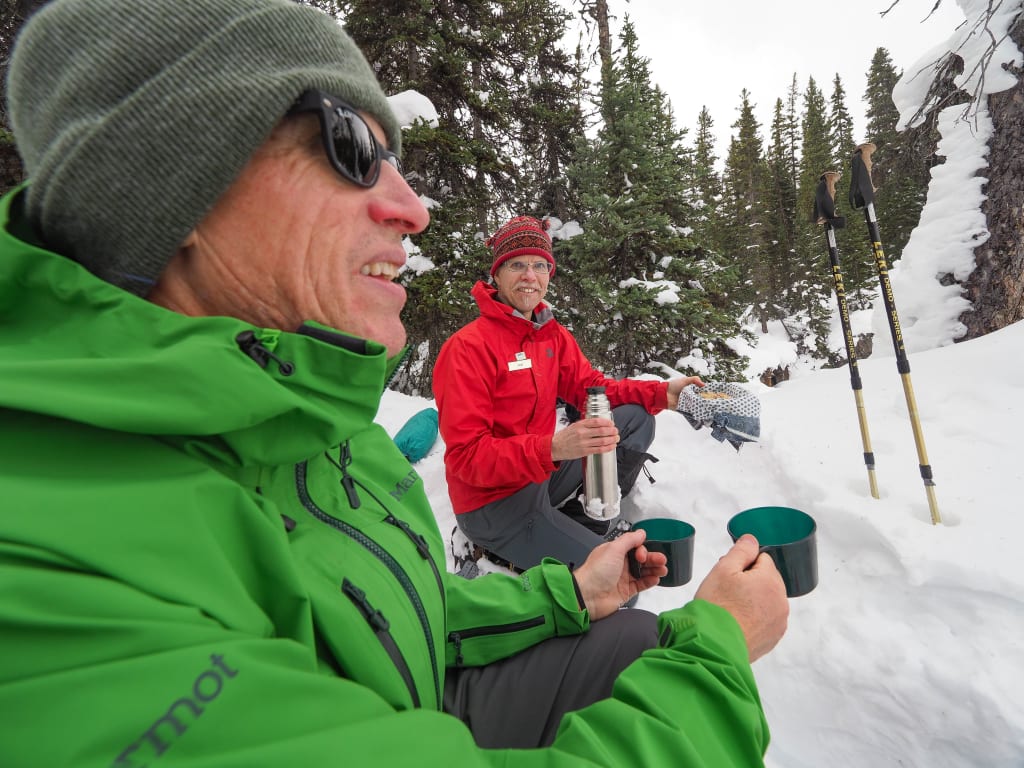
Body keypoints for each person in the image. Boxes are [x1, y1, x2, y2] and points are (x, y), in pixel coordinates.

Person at [0, 1, 788, 765]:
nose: (411, 207)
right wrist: (716, 650)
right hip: (500, 503)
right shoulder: (50, 575)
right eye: (347, 145)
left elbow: (398, 607)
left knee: (623, 585)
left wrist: (668, 398)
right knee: (640, 606)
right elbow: (470, 466)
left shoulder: (330, 414)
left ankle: (581, 528)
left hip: (487, 568)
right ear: (167, 183)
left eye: (540, 267)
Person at [433, 215, 706, 571]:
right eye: (517, 264)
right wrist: (555, 447)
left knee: (635, 418)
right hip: (493, 504)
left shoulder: (550, 336)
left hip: (541, 475)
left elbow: (594, 389)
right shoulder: (467, 348)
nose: (530, 275)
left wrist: (662, 394)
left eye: (539, 265)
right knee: (616, 579)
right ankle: (497, 550)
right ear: (496, 274)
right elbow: (467, 458)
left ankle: (589, 520)